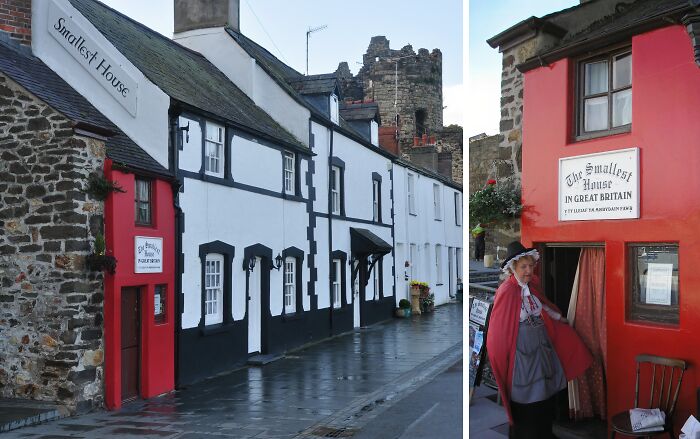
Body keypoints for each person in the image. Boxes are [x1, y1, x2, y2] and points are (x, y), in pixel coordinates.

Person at [486, 241, 592, 439]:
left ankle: (544, 433)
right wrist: (502, 361)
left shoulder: (531, 286)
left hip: (541, 350)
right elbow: (497, 334)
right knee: (528, 400)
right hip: (523, 357)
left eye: (531, 266)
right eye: (523, 267)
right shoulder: (507, 291)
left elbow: (543, 307)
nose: (528, 271)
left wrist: (560, 318)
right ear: (513, 268)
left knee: (544, 396)